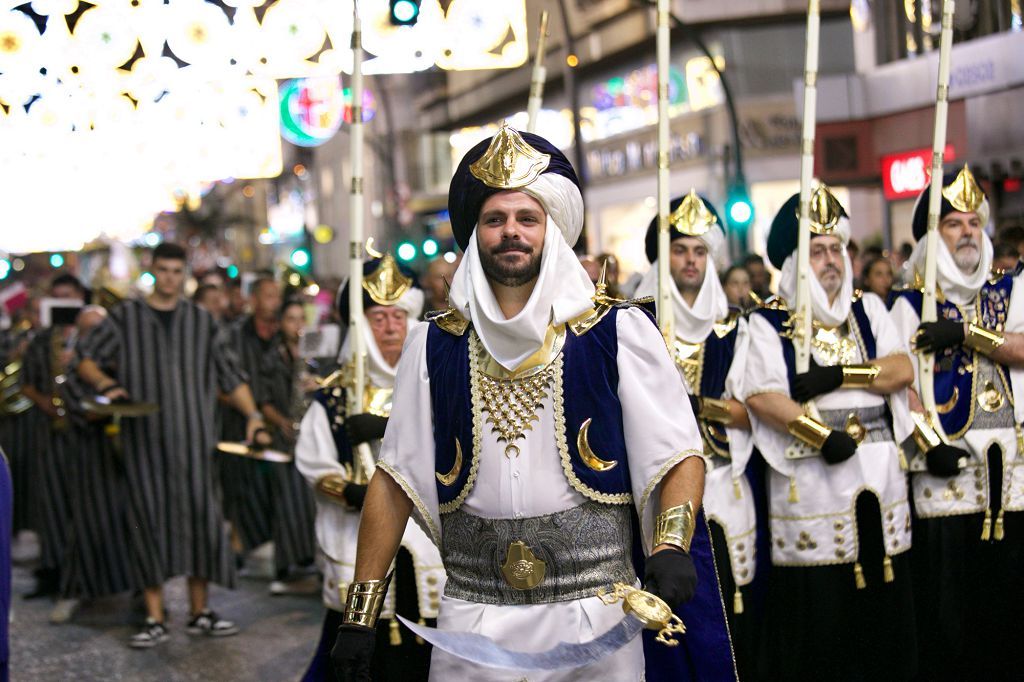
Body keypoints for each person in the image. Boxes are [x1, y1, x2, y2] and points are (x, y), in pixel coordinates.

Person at [330, 125, 734, 681]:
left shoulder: (618, 332)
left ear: (552, 230)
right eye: (495, 220)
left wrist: (670, 543)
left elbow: (677, 454)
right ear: (475, 236)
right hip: (473, 617)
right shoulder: (432, 346)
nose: (511, 232)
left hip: (598, 614)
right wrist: (360, 615)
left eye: (527, 218)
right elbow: (393, 481)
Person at [742, 187, 918, 681]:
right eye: (817, 251)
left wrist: (840, 375)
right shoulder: (768, 321)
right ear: (797, 261)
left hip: (880, 491)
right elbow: (762, 395)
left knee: (883, 628)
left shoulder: (870, 310)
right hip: (814, 489)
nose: (830, 261)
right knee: (823, 633)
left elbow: (901, 369)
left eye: (836, 248)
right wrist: (821, 436)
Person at [75, 242, 265, 648]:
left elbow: (230, 377)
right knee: (149, 525)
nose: (170, 278)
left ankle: (200, 612)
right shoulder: (125, 318)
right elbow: (85, 358)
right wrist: (108, 384)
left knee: (203, 522)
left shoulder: (203, 321)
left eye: (177, 271)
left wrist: (254, 416)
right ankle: (155, 617)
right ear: (152, 271)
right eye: (163, 270)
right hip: (144, 443)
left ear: (185, 275)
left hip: (196, 442)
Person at [889, 166, 1024, 680]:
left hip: (1012, 479)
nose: (968, 231)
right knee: (948, 613)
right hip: (945, 476)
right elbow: (902, 386)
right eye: (953, 223)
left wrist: (966, 333)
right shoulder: (906, 304)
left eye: (974, 221)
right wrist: (928, 444)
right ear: (931, 236)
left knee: (1010, 607)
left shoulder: (1010, 291)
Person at [635, 191, 762, 680]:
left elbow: (753, 411)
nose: (690, 260)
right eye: (681, 249)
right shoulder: (633, 320)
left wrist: (698, 407)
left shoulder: (734, 327)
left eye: (700, 251)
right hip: (655, 497)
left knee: (732, 610)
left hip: (725, 483)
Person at [297, 255, 442, 681]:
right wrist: (352, 493)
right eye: (378, 318)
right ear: (360, 326)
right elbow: (315, 463)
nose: (391, 328)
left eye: (399, 316)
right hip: (357, 535)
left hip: (431, 543)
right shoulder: (335, 399)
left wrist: (387, 425)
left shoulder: (435, 384)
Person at [50, 305, 140, 621]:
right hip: (90, 458)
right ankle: (75, 591)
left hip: (127, 461)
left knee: (136, 527)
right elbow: (82, 410)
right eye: (89, 331)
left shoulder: (126, 368)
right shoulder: (75, 371)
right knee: (88, 526)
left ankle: (141, 593)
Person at [19, 274, 88, 609]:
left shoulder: (93, 336)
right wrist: (47, 404)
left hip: (85, 435)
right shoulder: (43, 340)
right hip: (51, 433)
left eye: (69, 297)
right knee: (51, 506)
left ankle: (84, 577)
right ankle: (53, 573)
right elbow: (25, 382)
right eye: (57, 297)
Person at [256, 299, 318, 594]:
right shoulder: (271, 357)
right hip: (285, 438)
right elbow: (262, 398)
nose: (296, 325)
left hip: (312, 437)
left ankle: (311, 562)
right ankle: (284, 567)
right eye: (290, 319)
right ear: (281, 324)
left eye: (299, 318)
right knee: (285, 502)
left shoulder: (316, 353)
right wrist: (280, 421)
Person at [220, 275, 282, 564]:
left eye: (277, 296)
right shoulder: (233, 334)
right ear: (253, 300)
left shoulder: (286, 333)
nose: (274, 303)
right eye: (268, 296)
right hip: (239, 419)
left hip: (277, 419)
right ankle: (238, 544)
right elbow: (222, 378)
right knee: (239, 484)